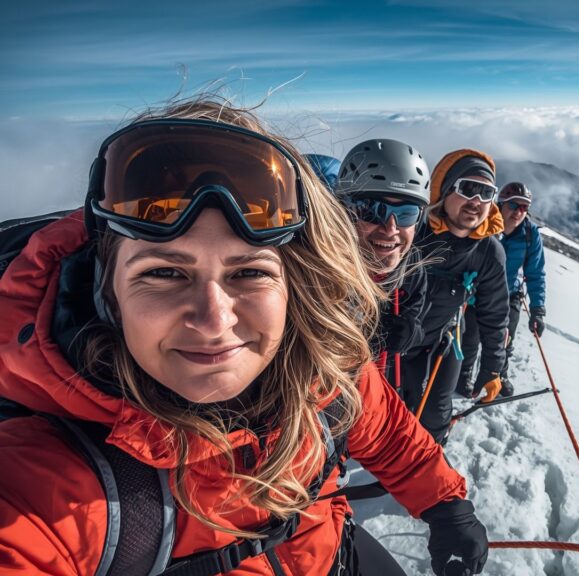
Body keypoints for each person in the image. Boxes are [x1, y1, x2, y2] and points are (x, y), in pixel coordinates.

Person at [0, 98, 487, 576]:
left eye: (249, 272)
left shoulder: (321, 372)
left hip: (334, 551)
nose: (214, 320)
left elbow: (387, 433)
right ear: (107, 291)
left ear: (295, 284)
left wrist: (446, 504)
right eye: (166, 273)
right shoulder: (53, 486)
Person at [399, 149, 509, 444]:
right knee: (394, 407)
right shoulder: (413, 231)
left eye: (486, 193)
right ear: (445, 191)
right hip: (393, 341)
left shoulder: (489, 252)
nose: (476, 201)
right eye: (467, 189)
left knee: (435, 413)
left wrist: (491, 368)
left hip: (442, 342)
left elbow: (494, 313)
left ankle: (427, 462)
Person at [305, 141, 430, 389]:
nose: (391, 229)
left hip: (373, 393)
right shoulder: (313, 268)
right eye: (373, 210)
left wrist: (411, 334)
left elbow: (412, 314)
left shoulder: (412, 271)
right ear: (345, 212)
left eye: (407, 214)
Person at [457, 182, 546, 398]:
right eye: (515, 205)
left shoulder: (530, 234)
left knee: (505, 338)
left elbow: (535, 273)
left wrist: (538, 310)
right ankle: (463, 375)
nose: (519, 212)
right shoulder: (484, 225)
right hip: (477, 293)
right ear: (501, 204)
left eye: (525, 208)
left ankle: (499, 374)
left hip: (509, 294)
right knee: (470, 336)